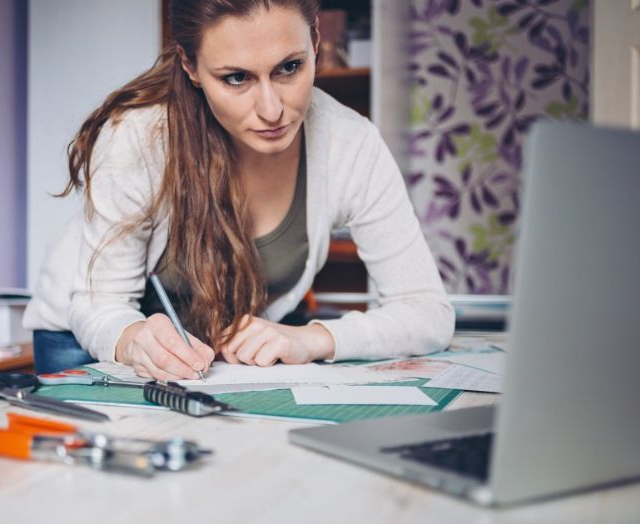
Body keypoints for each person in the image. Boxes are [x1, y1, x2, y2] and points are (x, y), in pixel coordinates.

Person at [24, 0, 455, 379]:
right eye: (236, 78)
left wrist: (314, 339)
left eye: (290, 67)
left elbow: (427, 313)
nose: (272, 110)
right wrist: (134, 339)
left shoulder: (351, 144)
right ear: (190, 66)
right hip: (87, 338)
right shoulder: (138, 137)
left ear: (316, 40)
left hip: (220, 364)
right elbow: (100, 304)